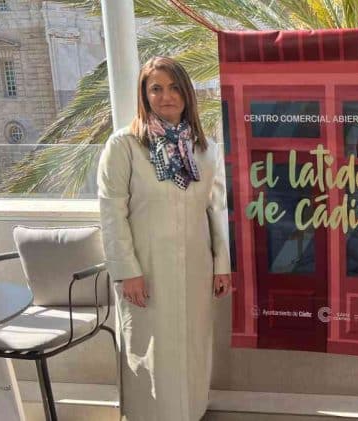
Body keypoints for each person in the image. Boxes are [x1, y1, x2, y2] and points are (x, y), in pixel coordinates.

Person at [97, 56, 231, 421]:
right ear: (144, 94)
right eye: (156, 88)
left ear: (187, 93)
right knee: (149, 349)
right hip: (146, 270)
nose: (165, 96)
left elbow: (216, 211)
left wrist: (222, 267)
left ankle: (190, 412)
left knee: (191, 344)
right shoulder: (123, 146)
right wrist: (127, 271)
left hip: (195, 268)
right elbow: (112, 213)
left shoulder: (206, 150)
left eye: (173, 87)